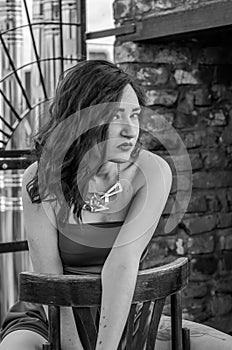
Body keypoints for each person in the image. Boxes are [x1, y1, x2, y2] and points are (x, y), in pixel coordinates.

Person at [0, 60, 231, 350]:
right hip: (52, 315)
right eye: (115, 116)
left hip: (123, 311)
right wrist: (75, 348)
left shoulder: (152, 171)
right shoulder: (40, 177)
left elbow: (122, 264)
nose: (130, 130)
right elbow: (51, 278)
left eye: (134, 116)